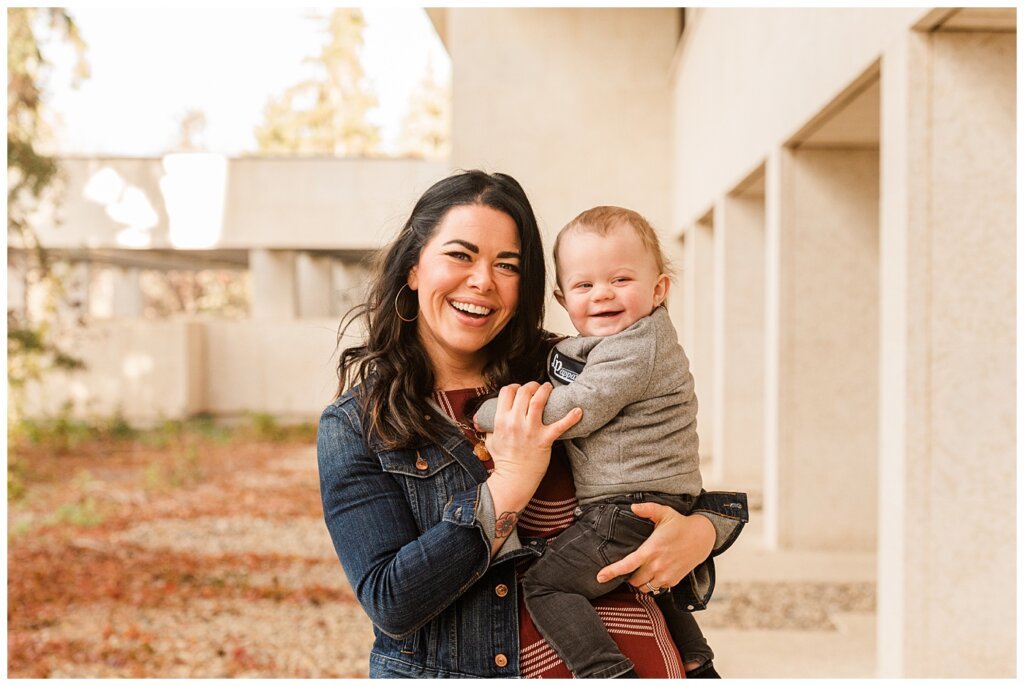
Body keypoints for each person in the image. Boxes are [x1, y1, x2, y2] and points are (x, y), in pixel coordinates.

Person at [317, 170, 748, 678]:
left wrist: (700, 531)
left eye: (507, 264)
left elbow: (662, 464)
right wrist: (510, 484)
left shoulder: (570, 367)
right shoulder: (360, 424)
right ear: (413, 268)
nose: (483, 280)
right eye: (461, 255)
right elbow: (392, 602)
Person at [473, 205, 715, 678]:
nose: (602, 294)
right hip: (647, 500)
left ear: (659, 288)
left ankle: (604, 670)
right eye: (585, 285)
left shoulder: (636, 348)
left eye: (621, 279)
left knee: (546, 585)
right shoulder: (602, 344)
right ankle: (695, 656)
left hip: (631, 506)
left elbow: (579, 410)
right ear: (563, 299)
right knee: (638, 575)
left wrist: (490, 415)